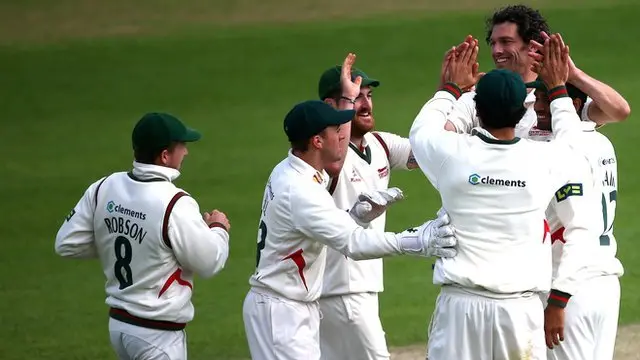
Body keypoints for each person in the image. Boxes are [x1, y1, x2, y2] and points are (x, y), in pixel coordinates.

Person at [411, 35, 602, 359]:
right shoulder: (544, 161)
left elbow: (421, 131)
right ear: (522, 111)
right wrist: (557, 89)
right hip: (520, 310)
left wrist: (450, 90)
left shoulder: (450, 153)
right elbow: (574, 141)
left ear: (477, 109)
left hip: (460, 308)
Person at [242, 90, 458, 360]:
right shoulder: (299, 189)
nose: (342, 134)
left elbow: (316, 226)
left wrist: (355, 215)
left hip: (292, 305)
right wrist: (415, 240)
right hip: (281, 312)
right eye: (335, 129)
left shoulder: (292, 170)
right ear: (317, 141)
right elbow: (353, 243)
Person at [54, 112, 231, 360]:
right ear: (165, 156)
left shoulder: (104, 186)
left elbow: (66, 243)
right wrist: (218, 228)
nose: (186, 152)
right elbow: (210, 262)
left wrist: (122, 238)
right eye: (182, 146)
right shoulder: (175, 202)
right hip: (157, 335)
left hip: (119, 327)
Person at [315, 55, 418, 360]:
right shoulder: (322, 154)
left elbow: (431, 148)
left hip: (359, 287)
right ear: (331, 104)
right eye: (355, 97)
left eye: (368, 96)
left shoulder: (380, 144)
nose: (366, 104)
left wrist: (450, 92)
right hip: (341, 288)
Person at [528, 79, 624, 359]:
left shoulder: (556, 149)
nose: (538, 106)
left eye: (547, 99)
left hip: (568, 287)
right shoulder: (600, 142)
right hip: (604, 283)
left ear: (575, 106)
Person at [445, 5, 630, 139]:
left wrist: (574, 75)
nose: (496, 51)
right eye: (493, 43)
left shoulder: (559, 97)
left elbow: (618, 111)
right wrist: (447, 91)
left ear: (533, 46)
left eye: (506, 42)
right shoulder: (484, 97)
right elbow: (417, 155)